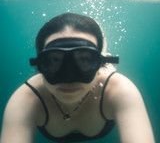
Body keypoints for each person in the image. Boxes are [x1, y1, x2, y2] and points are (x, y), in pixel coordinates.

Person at [1, 13, 155, 143]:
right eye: (54, 60)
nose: (69, 78)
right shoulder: (27, 99)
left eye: (85, 60)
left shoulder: (119, 89)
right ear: (40, 65)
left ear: (99, 63)